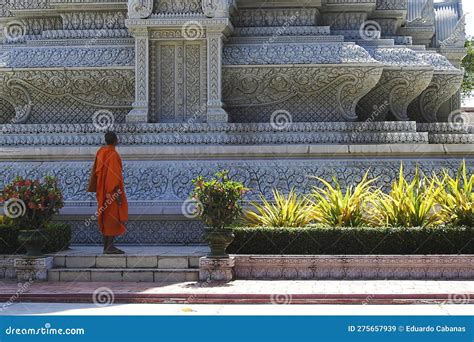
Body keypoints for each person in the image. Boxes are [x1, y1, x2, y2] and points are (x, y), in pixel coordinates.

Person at [89, 131, 128, 254]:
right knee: (112, 217)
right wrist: (117, 194)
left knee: (105, 216)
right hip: (111, 192)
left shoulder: (101, 152)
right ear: (116, 141)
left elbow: (94, 172)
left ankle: (106, 246)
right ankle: (109, 246)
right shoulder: (113, 155)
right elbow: (113, 177)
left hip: (102, 191)